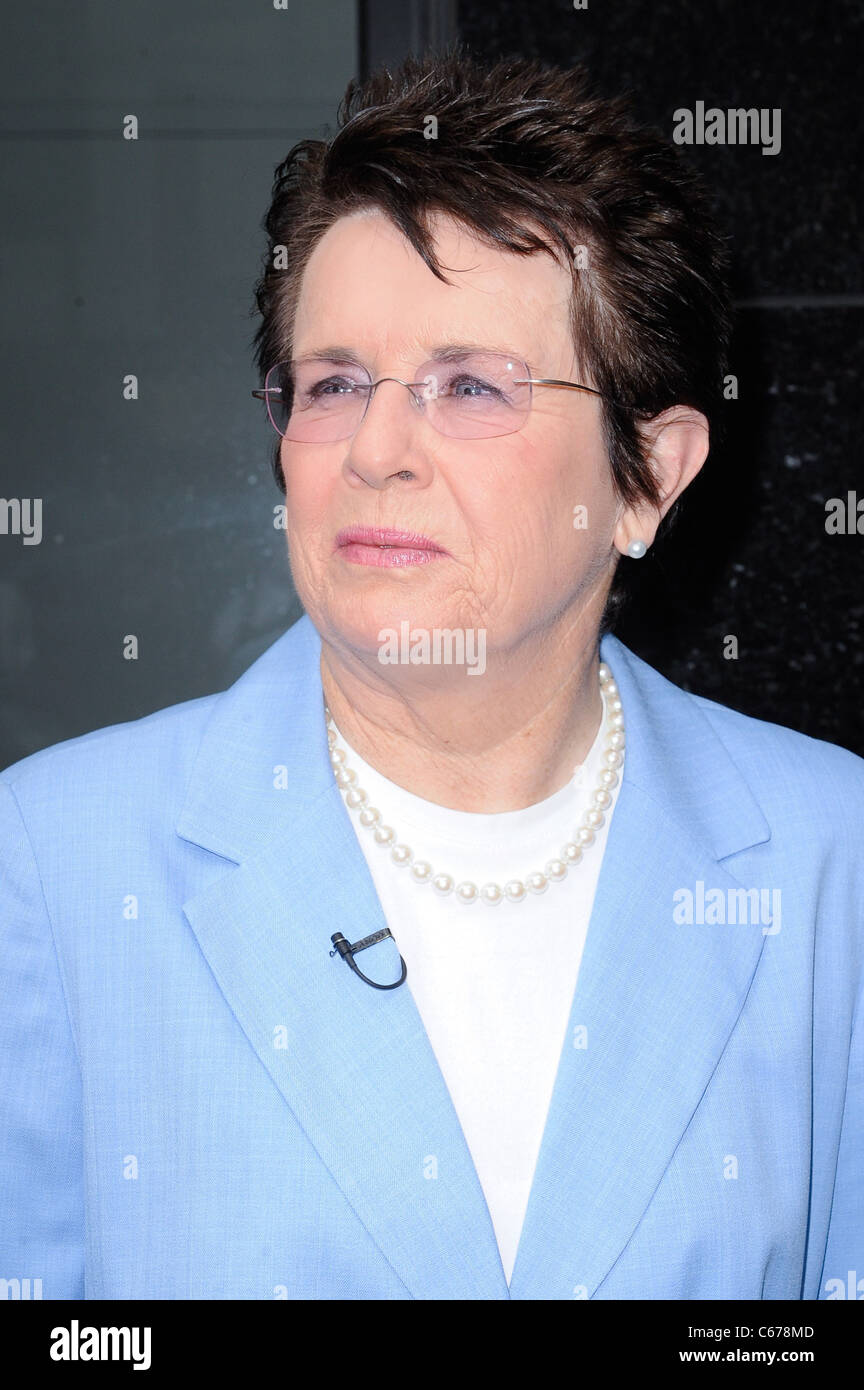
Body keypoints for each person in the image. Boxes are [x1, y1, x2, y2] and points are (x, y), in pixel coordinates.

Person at [1, 48, 861, 1301]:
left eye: (470, 386)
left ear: (648, 477)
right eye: (335, 383)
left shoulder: (830, 862)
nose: (377, 448)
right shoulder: (51, 866)